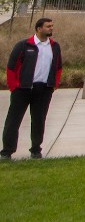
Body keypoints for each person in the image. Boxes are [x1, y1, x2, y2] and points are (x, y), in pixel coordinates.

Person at [3, 17, 62, 160]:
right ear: (39, 29)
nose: (51, 29)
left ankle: (36, 149)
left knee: (39, 120)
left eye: (52, 26)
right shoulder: (24, 45)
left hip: (43, 90)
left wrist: (53, 85)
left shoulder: (54, 46)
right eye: (48, 26)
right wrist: (14, 87)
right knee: (13, 120)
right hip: (22, 89)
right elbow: (11, 68)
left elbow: (58, 67)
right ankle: (7, 151)